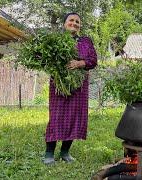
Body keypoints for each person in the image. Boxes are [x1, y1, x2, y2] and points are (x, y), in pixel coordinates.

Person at [43, 12, 97, 165]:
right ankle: (49, 154)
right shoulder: (56, 40)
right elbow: (46, 59)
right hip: (59, 84)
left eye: (77, 21)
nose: (74, 23)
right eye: (71, 20)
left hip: (79, 86)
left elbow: (93, 60)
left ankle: (65, 152)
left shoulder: (86, 41)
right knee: (56, 116)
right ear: (64, 23)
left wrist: (79, 63)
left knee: (75, 117)